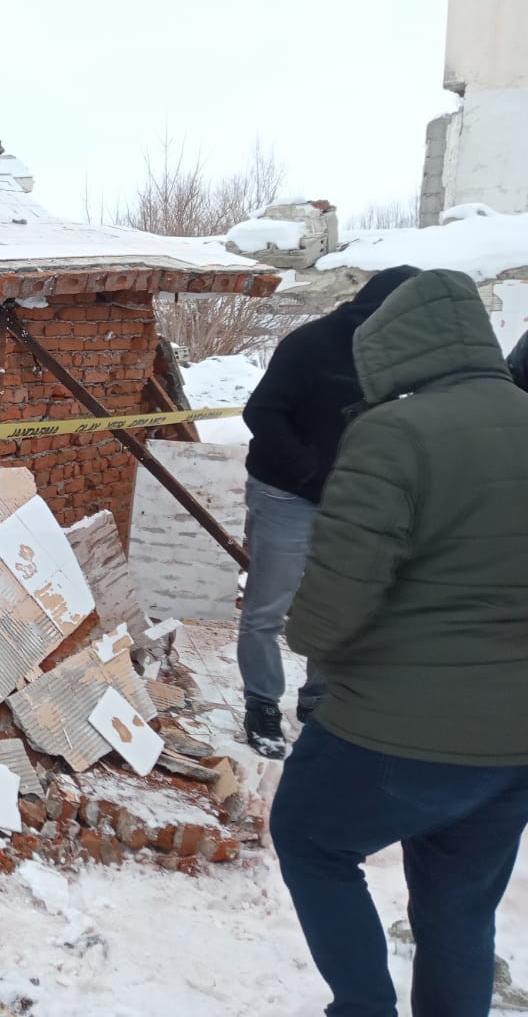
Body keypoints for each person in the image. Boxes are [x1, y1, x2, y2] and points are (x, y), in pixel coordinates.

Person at [270, 269, 528, 1017]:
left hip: (393, 730)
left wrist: (306, 635)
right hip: (513, 746)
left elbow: (330, 607)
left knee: (311, 840)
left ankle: (363, 1009)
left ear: (390, 347)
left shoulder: (394, 433)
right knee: (460, 908)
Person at [236, 265, 419, 757]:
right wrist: (311, 473)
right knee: (267, 610)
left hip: (353, 500)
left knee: (334, 603)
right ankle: (262, 705)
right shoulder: (310, 345)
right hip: (286, 493)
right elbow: (262, 413)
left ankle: (319, 702)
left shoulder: (400, 356)